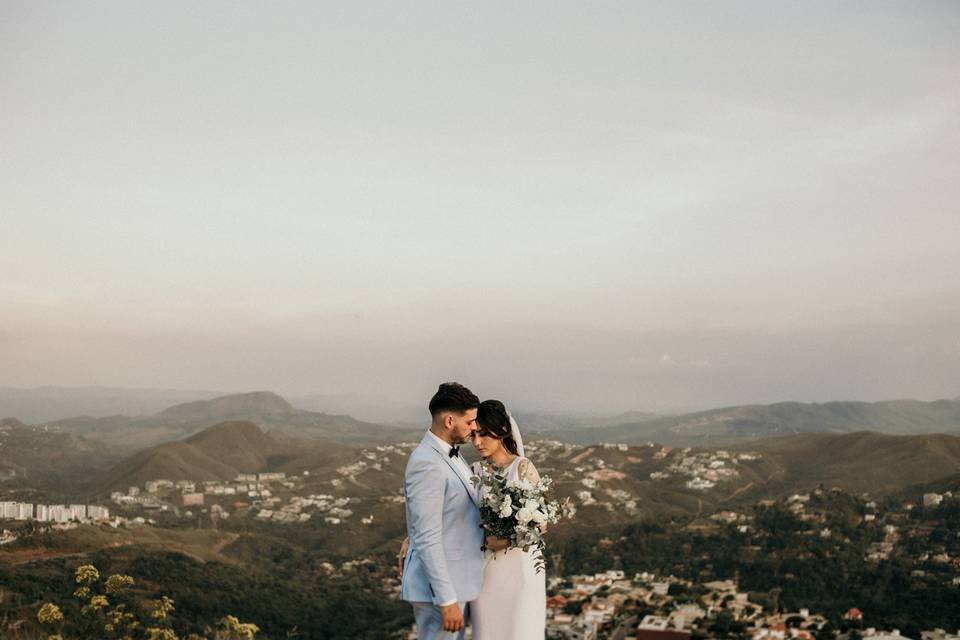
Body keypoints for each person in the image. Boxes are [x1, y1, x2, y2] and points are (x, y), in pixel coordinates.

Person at [401, 382, 489, 639]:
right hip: (439, 592)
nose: (474, 428)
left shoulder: (452, 455)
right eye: (470, 421)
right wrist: (446, 599)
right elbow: (428, 537)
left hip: (459, 583)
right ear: (450, 420)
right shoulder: (426, 464)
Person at [469, 399, 547, 639]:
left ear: (502, 431)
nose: (477, 442)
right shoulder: (474, 472)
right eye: (473, 435)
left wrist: (506, 540)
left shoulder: (522, 468)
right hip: (486, 573)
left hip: (520, 571)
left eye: (484, 435)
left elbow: (541, 523)